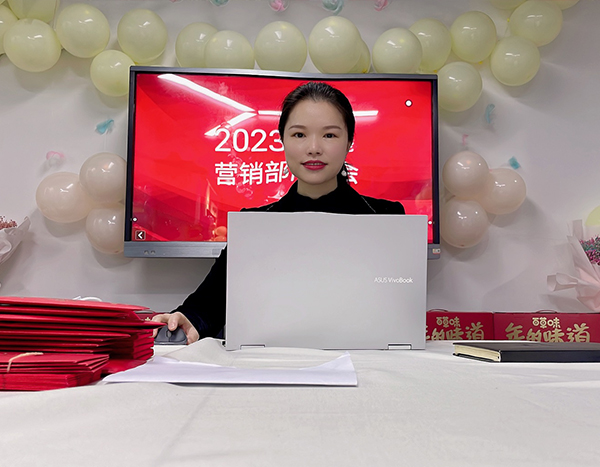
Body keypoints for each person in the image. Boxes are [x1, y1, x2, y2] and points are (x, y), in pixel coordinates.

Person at [152, 81, 405, 344]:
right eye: (299, 135)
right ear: (282, 139)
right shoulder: (255, 224)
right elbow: (209, 304)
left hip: (366, 360)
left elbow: (400, 304)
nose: (314, 148)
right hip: (274, 363)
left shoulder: (386, 218)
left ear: (349, 141)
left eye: (329, 135)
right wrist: (186, 320)